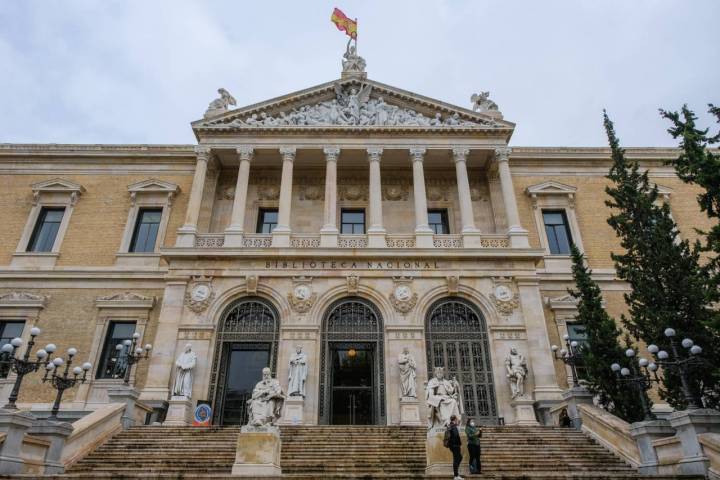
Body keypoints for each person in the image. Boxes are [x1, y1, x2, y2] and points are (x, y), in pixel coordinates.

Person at [447, 414, 463, 480]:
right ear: (455, 419)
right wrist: (459, 443)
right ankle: (456, 475)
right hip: (455, 445)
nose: (457, 420)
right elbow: (456, 435)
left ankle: (456, 473)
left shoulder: (450, 425)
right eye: (457, 419)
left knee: (458, 458)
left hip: (452, 445)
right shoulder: (453, 426)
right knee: (457, 459)